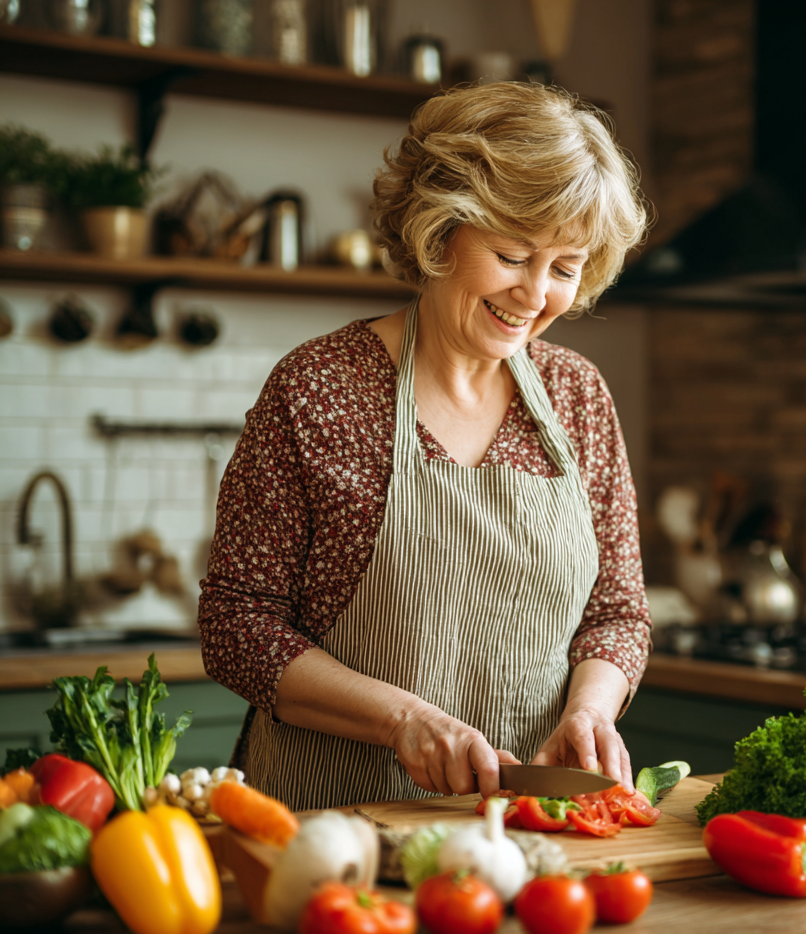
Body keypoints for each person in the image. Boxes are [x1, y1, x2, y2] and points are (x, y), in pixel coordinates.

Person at [198, 81, 652, 810]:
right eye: (512, 254)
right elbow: (237, 625)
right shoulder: (320, 388)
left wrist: (590, 711)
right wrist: (404, 720)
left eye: (565, 268)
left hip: (527, 828)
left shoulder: (578, 397)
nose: (536, 295)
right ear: (441, 231)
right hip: (331, 825)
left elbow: (617, 613)